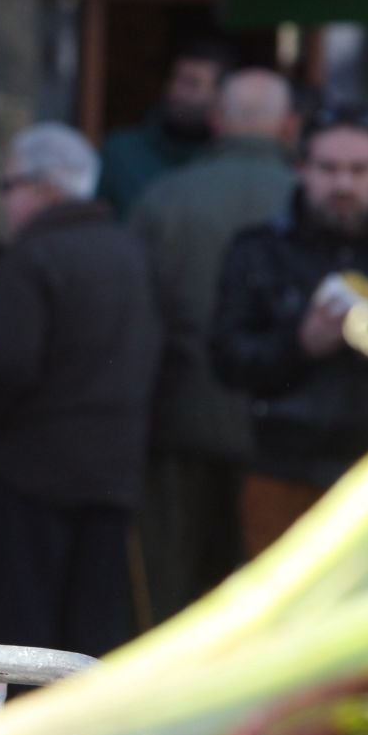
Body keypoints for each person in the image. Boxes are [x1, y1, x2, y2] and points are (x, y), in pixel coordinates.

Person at [0, 123, 163, 659]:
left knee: (21, 636)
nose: (6, 201)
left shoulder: (30, 258)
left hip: (30, 474)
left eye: (8, 186)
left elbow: (10, 368)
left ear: (44, 188)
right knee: (94, 633)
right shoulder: (132, 251)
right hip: (115, 472)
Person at [127, 68, 297, 621]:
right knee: (272, 598)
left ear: (218, 119)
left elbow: (136, 317)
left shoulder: (165, 198)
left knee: (173, 597)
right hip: (283, 435)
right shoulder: (312, 202)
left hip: (179, 421)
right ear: (290, 127)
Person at [210, 107, 368, 557]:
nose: (343, 184)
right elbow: (227, 359)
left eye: (358, 169)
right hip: (284, 469)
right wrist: (300, 343)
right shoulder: (260, 250)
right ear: (301, 169)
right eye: (328, 168)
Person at [98, 42, 230, 220]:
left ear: (219, 95)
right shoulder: (121, 153)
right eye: (175, 79)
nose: (177, 91)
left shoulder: (226, 162)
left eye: (191, 83)